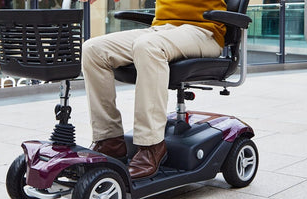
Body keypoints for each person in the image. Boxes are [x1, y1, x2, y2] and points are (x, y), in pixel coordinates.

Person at [80, 0, 226, 180]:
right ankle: (109, 140)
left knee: (148, 45)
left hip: (203, 31)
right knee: (93, 49)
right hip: (162, 29)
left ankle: (151, 145)